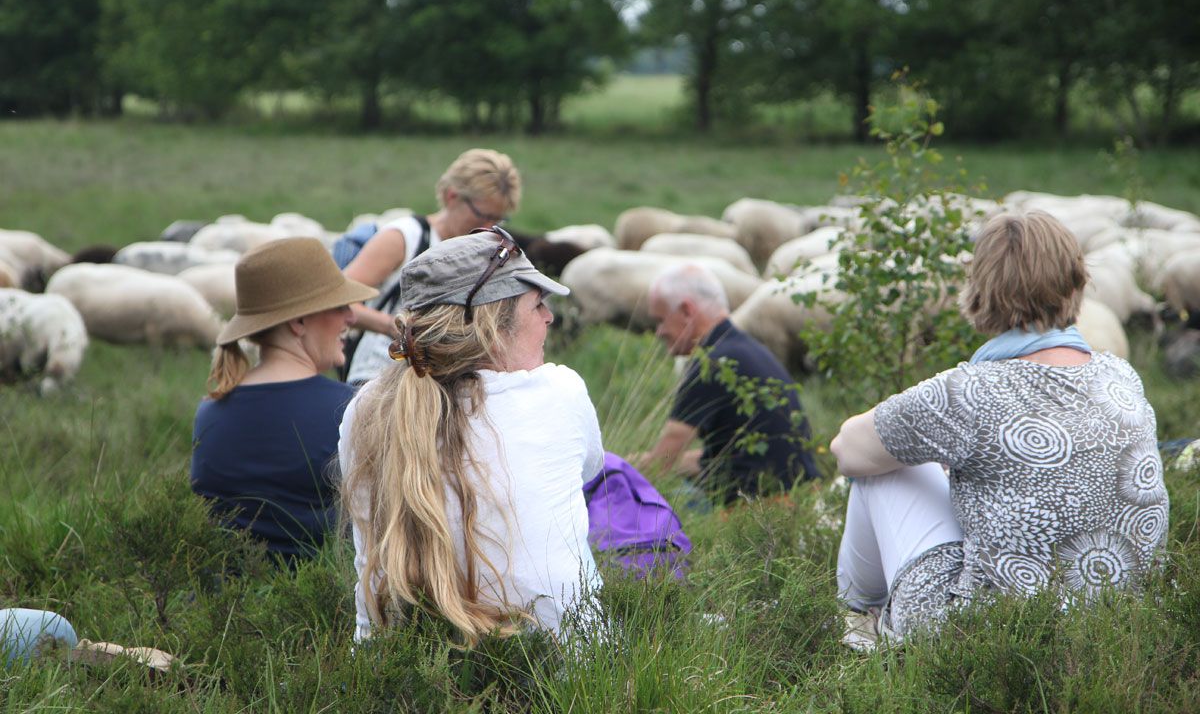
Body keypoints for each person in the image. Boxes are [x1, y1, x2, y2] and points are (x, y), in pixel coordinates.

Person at [831, 210, 1169, 641]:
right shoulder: (1121, 375)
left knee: (881, 464)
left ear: (978, 290)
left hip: (986, 635)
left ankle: (858, 622)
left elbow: (847, 450)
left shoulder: (965, 393)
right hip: (1117, 624)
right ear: (1077, 283)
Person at [339, 227, 605, 645]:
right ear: (493, 326)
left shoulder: (365, 407)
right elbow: (590, 471)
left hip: (397, 674)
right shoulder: (559, 392)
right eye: (537, 304)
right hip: (569, 675)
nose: (548, 318)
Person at [191, 236, 377, 561]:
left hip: (221, 601)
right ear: (299, 321)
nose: (351, 317)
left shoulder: (209, 411)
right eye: (339, 306)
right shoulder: (350, 409)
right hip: (324, 603)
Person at [634, 263, 820, 503]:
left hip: (761, 510)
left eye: (660, 320)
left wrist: (613, 478)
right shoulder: (744, 349)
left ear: (687, 311)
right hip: (803, 498)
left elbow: (661, 465)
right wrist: (638, 460)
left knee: (665, 503)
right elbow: (725, 457)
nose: (658, 331)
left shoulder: (712, 363)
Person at [343, 149, 522, 385]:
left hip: (442, 386)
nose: (490, 227)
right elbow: (338, 300)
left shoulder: (488, 251)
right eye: (482, 215)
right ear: (452, 196)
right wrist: (392, 326)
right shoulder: (405, 237)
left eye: (498, 219)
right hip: (379, 380)